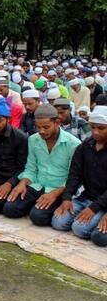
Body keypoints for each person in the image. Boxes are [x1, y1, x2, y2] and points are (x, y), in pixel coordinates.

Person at [3, 104, 81, 226]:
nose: (41, 131)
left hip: (59, 189)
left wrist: (54, 194)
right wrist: (22, 183)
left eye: (46, 127)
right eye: (38, 127)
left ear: (57, 123)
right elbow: (31, 168)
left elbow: (74, 178)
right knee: (9, 209)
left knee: (38, 217)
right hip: (37, 185)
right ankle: (35, 206)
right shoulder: (33, 139)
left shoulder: (73, 144)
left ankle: (37, 208)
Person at [51, 106, 107, 247]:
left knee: (80, 229)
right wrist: (67, 198)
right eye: (93, 127)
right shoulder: (85, 146)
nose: (95, 132)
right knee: (58, 222)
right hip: (86, 197)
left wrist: (94, 208)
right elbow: (74, 174)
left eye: (101, 128)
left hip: (103, 202)